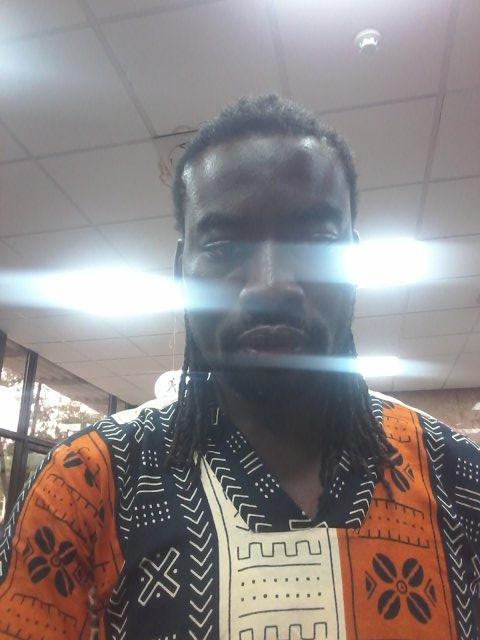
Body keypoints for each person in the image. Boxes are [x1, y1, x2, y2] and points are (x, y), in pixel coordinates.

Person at [0, 95, 479, 640]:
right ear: (182, 271)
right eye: (224, 245)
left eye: (316, 241)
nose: (270, 285)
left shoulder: (457, 477)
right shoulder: (81, 489)